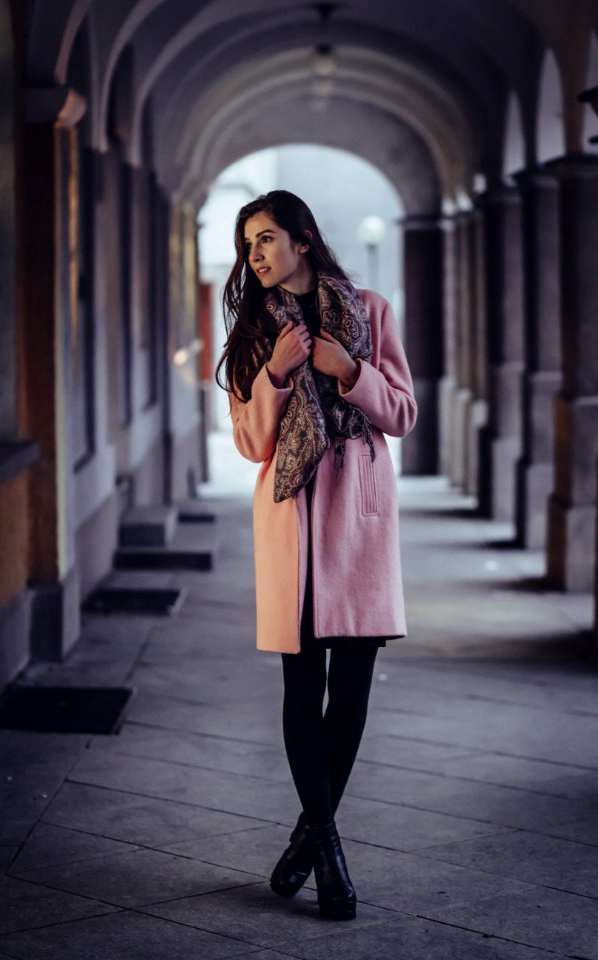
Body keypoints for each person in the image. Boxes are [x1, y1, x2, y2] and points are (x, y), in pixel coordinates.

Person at [216, 190, 417, 921]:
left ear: (303, 238)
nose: (256, 255)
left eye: (266, 238)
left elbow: (402, 412)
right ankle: (329, 854)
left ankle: (307, 838)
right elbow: (250, 444)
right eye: (247, 245)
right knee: (303, 693)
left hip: (359, 523)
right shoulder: (252, 334)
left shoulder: (370, 310)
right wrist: (274, 372)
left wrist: (348, 370)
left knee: (352, 696)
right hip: (293, 526)